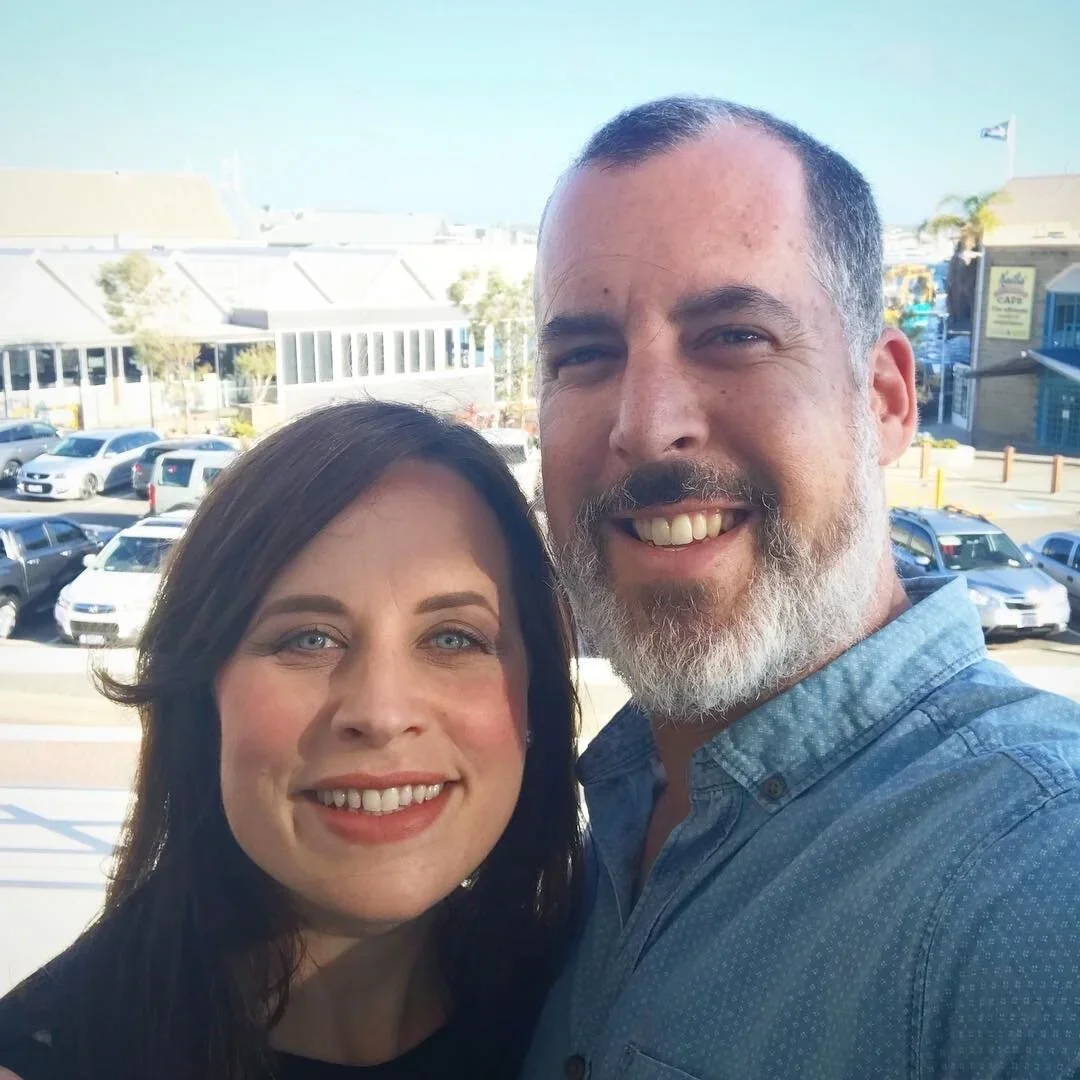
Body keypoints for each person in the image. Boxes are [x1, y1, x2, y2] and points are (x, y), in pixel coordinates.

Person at [525, 96, 1080, 1079]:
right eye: (586, 356)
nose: (645, 424)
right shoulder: (586, 832)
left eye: (734, 334)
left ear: (887, 399)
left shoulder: (1031, 874)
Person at [0, 400, 582, 1079]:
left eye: (453, 638)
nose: (381, 712)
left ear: (534, 695)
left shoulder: (593, 1010)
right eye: (308, 639)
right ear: (204, 698)